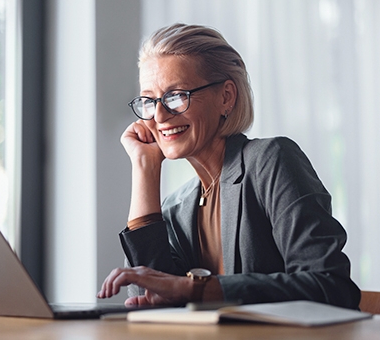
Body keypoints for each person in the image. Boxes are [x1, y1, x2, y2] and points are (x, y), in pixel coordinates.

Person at [96, 23, 361, 309]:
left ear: (226, 97)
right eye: (149, 100)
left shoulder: (271, 160)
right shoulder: (177, 207)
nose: (159, 115)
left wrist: (192, 289)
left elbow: (330, 286)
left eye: (176, 95)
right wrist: (144, 170)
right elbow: (146, 299)